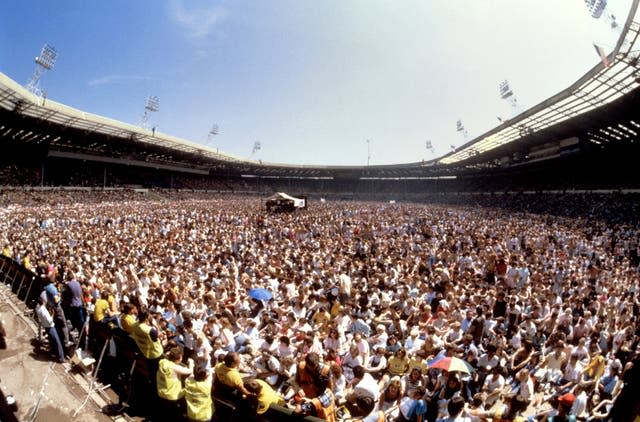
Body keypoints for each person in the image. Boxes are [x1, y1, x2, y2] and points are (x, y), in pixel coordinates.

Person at [156, 347, 193, 420]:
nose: (181, 359)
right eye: (181, 358)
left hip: (161, 392)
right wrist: (191, 363)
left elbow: (166, 358)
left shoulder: (162, 362)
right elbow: (189, 371)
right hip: (172, 396)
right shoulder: (175, 368)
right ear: (178, 359)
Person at [35, 296, 65, 363]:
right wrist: (52, 315)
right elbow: (50, 320)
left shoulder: (37, 308)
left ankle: (53, 352)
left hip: (45, 326)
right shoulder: (43, 311)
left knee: (51, 340)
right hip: (50, 326)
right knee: (57, 342)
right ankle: (61, 358)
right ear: (42, 302)